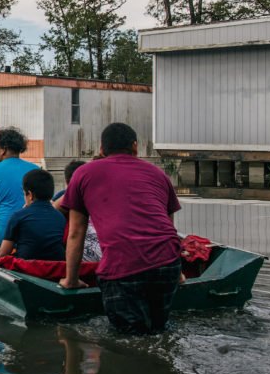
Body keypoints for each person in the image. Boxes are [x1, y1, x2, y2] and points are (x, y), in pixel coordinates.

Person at [58, 122, 182, 335]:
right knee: (158, 331)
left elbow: (76, 232)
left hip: (123, 265)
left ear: (101, 149)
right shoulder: (159, 174)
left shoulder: (84, 173)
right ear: (135, 146)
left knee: (130, 339)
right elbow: (168, 227)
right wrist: (178, 271)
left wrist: (71, 280)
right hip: (167, 265)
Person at [0, 169, 67, 260]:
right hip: (55, 267)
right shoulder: (60, 217)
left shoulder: (18, 216)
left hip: (26, 267)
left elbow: (3, 253)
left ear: (29, 194)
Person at [52, 160, 101, 263]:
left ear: (66, 181)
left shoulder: (62, 199)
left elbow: (52, 211)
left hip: (78, 262)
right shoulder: (102, 194)